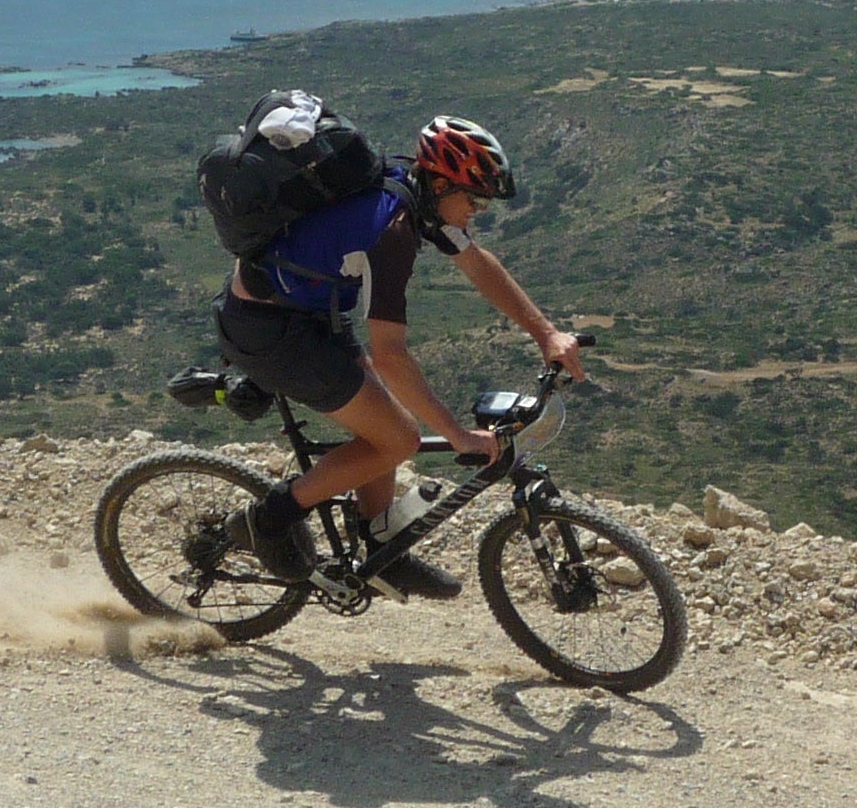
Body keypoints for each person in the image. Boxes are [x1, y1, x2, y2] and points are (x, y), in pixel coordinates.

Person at [219, 114, 585, 598]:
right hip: (269, 329)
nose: (477, 210)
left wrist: (546, 334)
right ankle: (267, 520)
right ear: (441, 183)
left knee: (383, 420)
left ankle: (380, 550)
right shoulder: (391, 231)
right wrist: (457, 435)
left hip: (309, 316)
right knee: (399, 439)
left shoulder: (410, 192)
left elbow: (477, 263)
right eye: (473, 199)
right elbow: (390, 356)